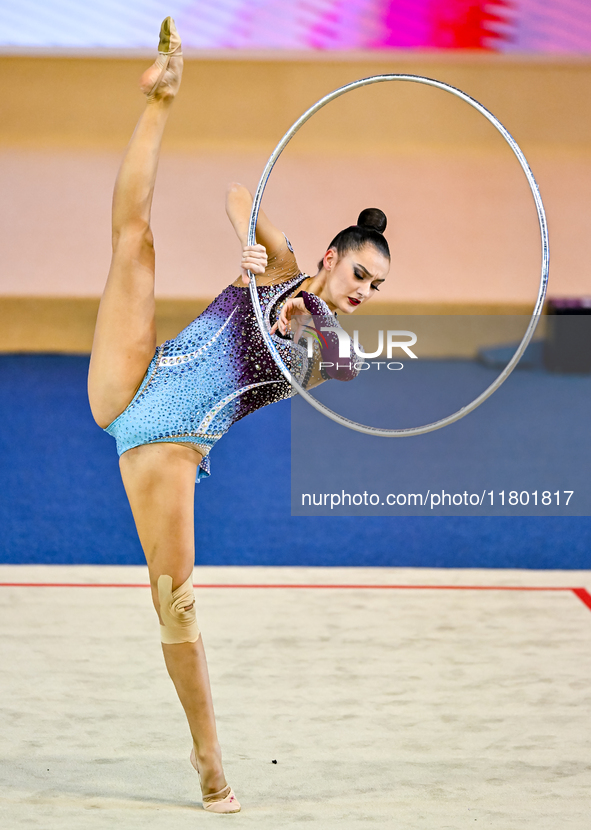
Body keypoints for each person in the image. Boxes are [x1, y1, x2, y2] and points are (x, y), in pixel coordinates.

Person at [87, 17, 390, 814]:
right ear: (330, 256)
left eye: (375, 289)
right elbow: (236, 195)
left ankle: (207, 757)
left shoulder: (326, 348)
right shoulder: (289, 264)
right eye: (359, 273)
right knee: (133, 245)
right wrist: (249, 250)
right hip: (134, 380)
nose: (363, 292)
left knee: (176, 602)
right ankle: (161, 98)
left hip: (171, 441)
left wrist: (305, 311)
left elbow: (336, 360)